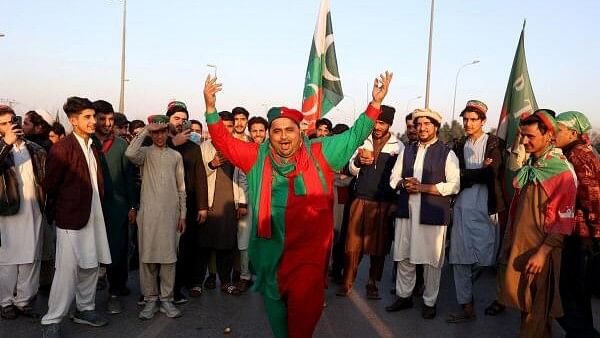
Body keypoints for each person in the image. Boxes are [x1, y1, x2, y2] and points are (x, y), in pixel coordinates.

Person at [203, 71, 393, 338]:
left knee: (304, 315)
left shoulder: (321, 152)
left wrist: (375, 104)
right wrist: (210, 108)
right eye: (277, 131)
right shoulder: (256, 157)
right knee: (278, 316)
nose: (283, 137)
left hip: (309, 254)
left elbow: (354, 136)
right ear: (269, 134)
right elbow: (224, 141)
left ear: (299, 132)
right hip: (270, 254)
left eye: (289, 130)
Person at [498, 110, 577, 338]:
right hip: (522, 248)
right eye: (522, 135)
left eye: (530, 136)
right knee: (528, 309)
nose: (524, 141)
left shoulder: (561, 172)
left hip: (540, 251)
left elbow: (564, 220)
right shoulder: (536, 164)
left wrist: (543, 253)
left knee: (536, 312)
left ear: (549, 135)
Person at [41, 97, 112, 338]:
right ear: (73, 121)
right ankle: (52, 319)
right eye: (88, 117)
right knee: (66, 271)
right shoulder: (63, 148)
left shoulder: (92, 145)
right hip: (71, 217)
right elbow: (50, 184)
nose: (94, 121)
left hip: (94, 214)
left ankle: (85, 308)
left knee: (91, 264)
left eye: (94, 116)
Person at [386, 109, 460, 319]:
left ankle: (429, 301)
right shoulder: (407, 151)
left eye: (427, 124)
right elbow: (393, 178)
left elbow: (454, 185)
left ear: (435, 127)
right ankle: (404, 296)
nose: (422, 128)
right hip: (406, 212)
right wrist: (403, 183)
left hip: (432, 215)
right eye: (419, 124)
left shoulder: (447, 153)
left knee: (431, 261)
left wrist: (424, 188)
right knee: (404, 256)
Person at [446, 100, 505, 323]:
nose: (468, 123)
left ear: (483, 121)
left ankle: (473, 291)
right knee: (460, 258)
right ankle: (466, 306)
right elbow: (453, 173)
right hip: (461, 206)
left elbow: (491, 173)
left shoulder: (494, 143)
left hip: (487, 206)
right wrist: (476, 171)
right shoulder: (459, 144)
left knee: (486, 257)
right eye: (465, 119)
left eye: (473, 119)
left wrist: (467, 173)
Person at [336, 105, 402, 299]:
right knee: (352, 245)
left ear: (389, 124)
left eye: (381, 122)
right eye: (375, 122)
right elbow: (349, 169)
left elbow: (401, 175)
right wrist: (357, 161)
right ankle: (347, 282)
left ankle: (372, 283)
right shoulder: (362, 141)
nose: (377, 126)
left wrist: (395, 203)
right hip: (361, 198)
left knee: (379, 246)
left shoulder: (399, 146)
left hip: (384, 202)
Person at [125, 115, 186, 320]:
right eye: (155, 132)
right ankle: (150, 300)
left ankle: (167, 300)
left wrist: (183, 214)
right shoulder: (144, 153)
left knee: (169, 259)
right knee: (147, 259)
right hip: (148, 215)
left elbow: (181, 188)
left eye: (163, 131)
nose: (159, 136)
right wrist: (144, 130)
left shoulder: (175, 156)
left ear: (168, 132)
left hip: (171, 215)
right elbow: (129, 152)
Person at [554, 111, 600, 338]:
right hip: (581, 233)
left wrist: (594, 234)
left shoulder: (578, 156)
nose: (554, 134)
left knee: (569, 292)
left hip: (580, 234)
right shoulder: (573, 152)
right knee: (578, 294)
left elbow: (592, 197)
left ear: (573, 132)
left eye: (558, 130)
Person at [0, 105, 46, 320]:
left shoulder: (35, 148)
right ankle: (5, 302)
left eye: (12, 121)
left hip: (33, 210)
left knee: (30, 257)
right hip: (7, 212)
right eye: (4, 123)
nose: (11, 126)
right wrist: (5, 144)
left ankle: (23, 301)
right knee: (8, 260)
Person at [93, 100, 138, 314]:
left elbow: (130, 178)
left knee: (117, 252)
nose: (108, 123)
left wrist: (132, 206)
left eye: (111, 119)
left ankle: (115, 292)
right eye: (103, 119)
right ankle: (86, 297)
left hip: (117, 208)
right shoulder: (86, 143)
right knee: (89, 253)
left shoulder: (121, 145)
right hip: (91, 207)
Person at [164, 100, 209, 304]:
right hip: (162, 205)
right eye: (176, 118)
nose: (180, 122)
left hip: (188, 205)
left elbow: (200, 177)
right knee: (163, 247)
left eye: (184, 119)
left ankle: (177, 286)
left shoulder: (193, 146)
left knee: (184, 246)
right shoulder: (158, 142)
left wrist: (202, 206)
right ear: (168, 120)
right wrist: (173, 144)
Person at [199, 111, 248, 295]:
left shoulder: (237, 147)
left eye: (228, 126)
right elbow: (198, 174)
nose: (225, 130)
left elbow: (243, 177)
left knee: (226, 243)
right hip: (209, 201)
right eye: (222, 126)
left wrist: (242, 203)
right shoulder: (204, 147)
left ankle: (225, 281)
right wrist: (212, 164)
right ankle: (209, 277)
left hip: (229, 202)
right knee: (207, 242)